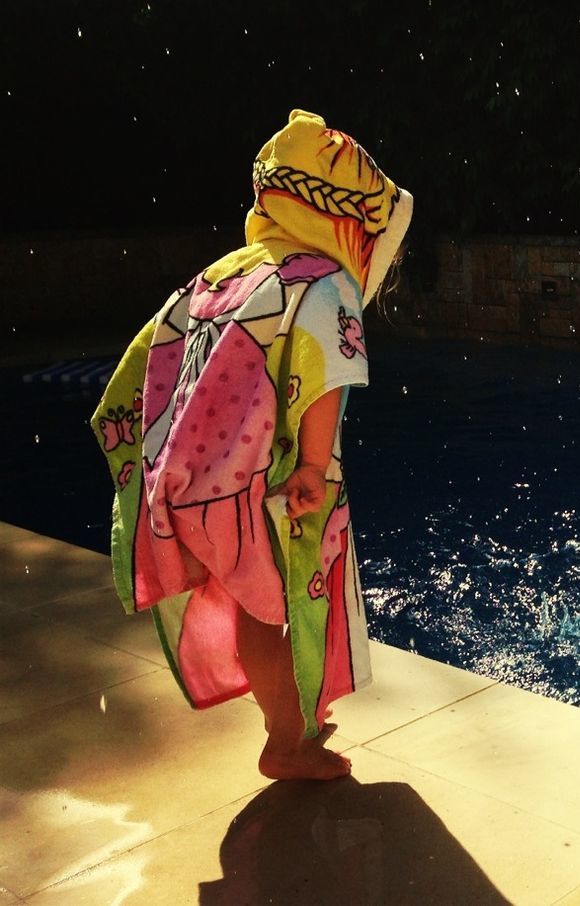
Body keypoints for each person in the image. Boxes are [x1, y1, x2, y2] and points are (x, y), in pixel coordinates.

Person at [91, 110, 413, 781]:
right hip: (254, 490)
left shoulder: (226, 274)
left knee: (250, 604)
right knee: (274, 612)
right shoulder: (322, 283)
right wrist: (316, 470)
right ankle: (284, 742)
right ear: (346, 221)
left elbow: (149, 355)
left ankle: (293, 712)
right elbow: (324, 375)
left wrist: (152, 459)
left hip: (190, 482)